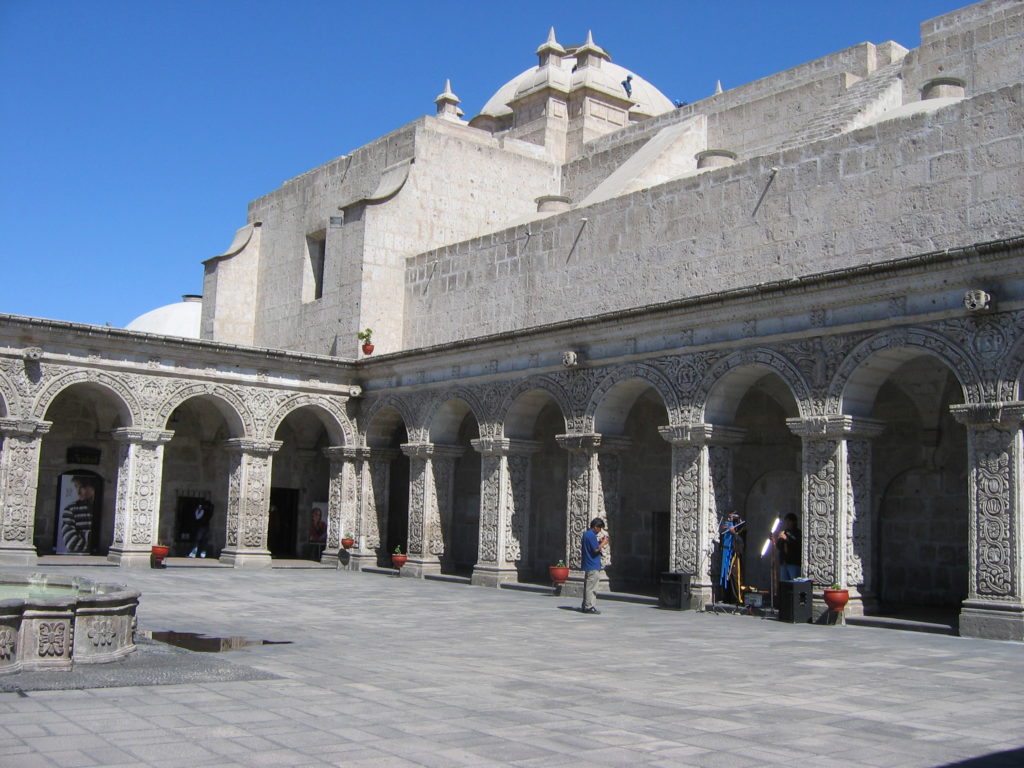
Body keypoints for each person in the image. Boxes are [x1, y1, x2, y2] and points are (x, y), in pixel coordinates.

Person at [580, 517, 609, 614]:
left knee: (588, 586)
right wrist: (603, 543)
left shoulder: (586, 534)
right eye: (599, 528)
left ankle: (585, 604)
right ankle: (589, 606)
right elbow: (595, 550)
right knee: (592, 587)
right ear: (596, 527)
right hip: (592, 564)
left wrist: (599, 543)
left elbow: (592, 547)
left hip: (588, 564)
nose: (599, 531)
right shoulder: (591, 535)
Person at [61, 476, 96, 553]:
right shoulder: (71, 509)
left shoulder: (104, 509)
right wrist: (91, 538)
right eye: (76, 486)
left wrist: (83, 536)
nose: (78, 492)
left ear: (93, 488)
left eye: (83, 487)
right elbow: (71, 543)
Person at [718, 511, 746, 603]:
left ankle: (737, 598)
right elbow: (722, 541)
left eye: (730, 518)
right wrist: (723, 532)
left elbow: (741, 543)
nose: (728, 520)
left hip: (735, 555)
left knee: (734, 576)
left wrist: (734, 533)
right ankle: (726, 597)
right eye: (728, 518)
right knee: (725, 575)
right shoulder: (727, 528)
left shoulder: (741, 529)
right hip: (726, 552)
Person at [775, 513, 802, 581]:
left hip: (794, 562)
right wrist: (778, 539)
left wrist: (787, 539)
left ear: (794, 522)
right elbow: (778, 546)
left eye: (789, 521)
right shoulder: (785, 532)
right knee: (784, 583)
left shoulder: (798, 533)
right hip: (784, 562)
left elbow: (797, 545)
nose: (787, 523)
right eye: (786, 521)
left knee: (794, 582)